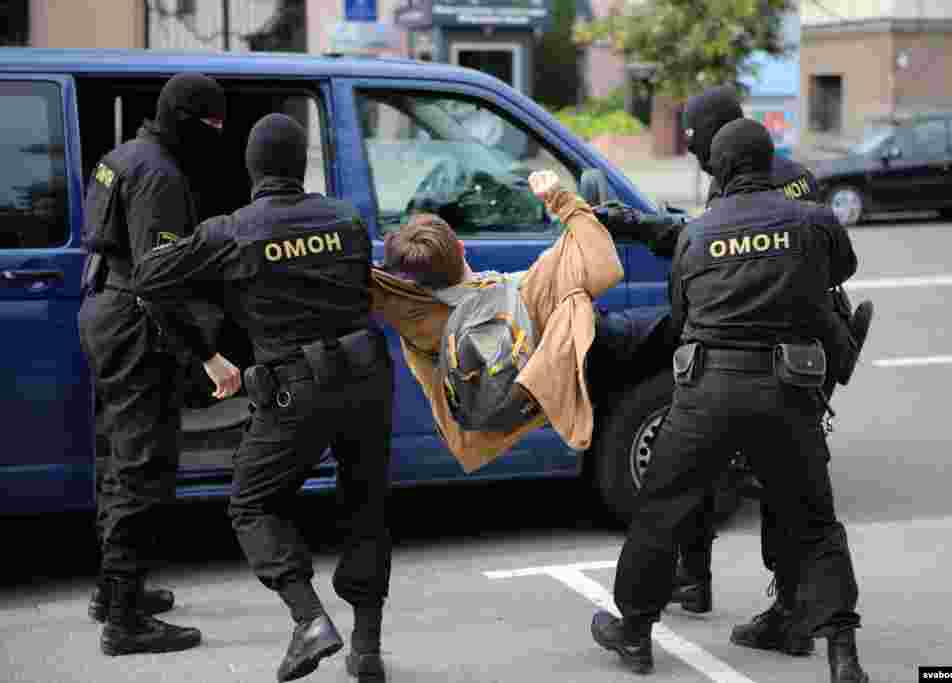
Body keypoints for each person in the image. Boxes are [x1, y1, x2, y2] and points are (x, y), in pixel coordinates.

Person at [590, 119, 869, 683]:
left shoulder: (695, 234)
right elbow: (842, 271)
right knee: (814, 522)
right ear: (768, 163)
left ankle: (635, 634)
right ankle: (843, 656)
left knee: (661, 510)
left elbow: (682, 318)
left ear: (717, 170)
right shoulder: (813, 220)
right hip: (789, 392)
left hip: (708, 394)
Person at [133, 113, 395, 683]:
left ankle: (310, 621)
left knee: (251, 504)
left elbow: (149, 277)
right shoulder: (346, 218)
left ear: (251, 169)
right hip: (368, 378)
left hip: (295, 388)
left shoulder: (233, 230)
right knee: (366, 505)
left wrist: (205, 329)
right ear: (300, 165)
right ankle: (367, 649)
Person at [78, 72, 241, 656]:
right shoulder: (161, 175)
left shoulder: (120, 157)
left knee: (122, 459)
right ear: (186, 118)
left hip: (103, 308)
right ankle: (124, 621)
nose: (217, 135)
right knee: (143, 467)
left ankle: (113, 592)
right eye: (212, 124)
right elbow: (159, 283)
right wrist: (209, 355)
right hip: (134, 321)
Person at [368, 169, 624, 475]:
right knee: (608, 315)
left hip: (478, 433)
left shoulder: (417, 322)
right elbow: (606, 267)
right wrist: (559, 198)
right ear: (461, 248)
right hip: (535, 394)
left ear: (410, 280)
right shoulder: (530, 288)